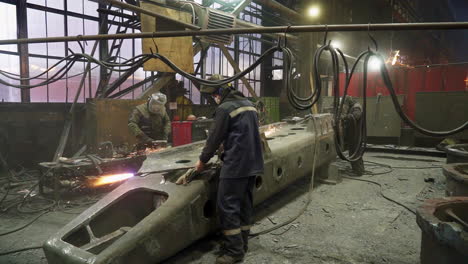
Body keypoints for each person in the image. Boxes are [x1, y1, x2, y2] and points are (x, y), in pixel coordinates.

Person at [196, 74, 264, 264]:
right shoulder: (248, 103)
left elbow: (214, 139)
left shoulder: (225, 108)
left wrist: (202, 161)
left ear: (219, 92)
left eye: (213, 95)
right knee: (244, 205)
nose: (213, 98)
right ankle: (242, 243)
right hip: (253, 163)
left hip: (236, 165)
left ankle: (234, 252)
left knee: (227, 206)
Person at [341, 96, 365, 175]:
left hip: (356, 135)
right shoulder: (353, 106)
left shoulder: (356, 107)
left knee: (355, 153)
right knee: (354, 152)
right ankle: (359, 170)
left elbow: (356, 116)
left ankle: (358, 171)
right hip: (354, 134)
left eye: (345, 105)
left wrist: (345, 117)